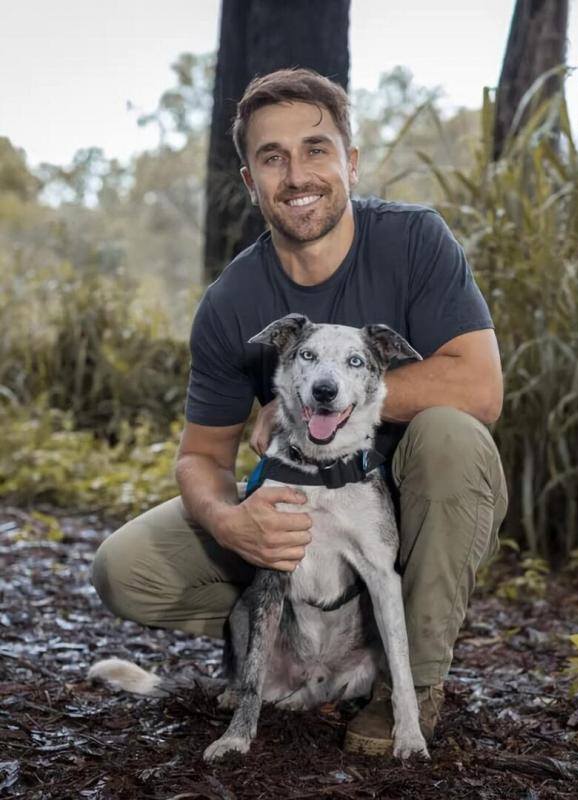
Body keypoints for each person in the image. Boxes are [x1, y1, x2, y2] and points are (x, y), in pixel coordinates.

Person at [92, 68, 508, 754]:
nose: (296, 174)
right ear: (251, 181)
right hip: (297, 507)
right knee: (123, 568)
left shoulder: (414, 241)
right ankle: (289, 640)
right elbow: (201, 456)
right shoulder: (233, 300)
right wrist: (233, 521)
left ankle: (414, 683)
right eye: (271, 157)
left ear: (349, 159)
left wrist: (330, 405)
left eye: (315, 149)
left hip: (408, 505)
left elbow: (482, 390)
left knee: (450, 434)